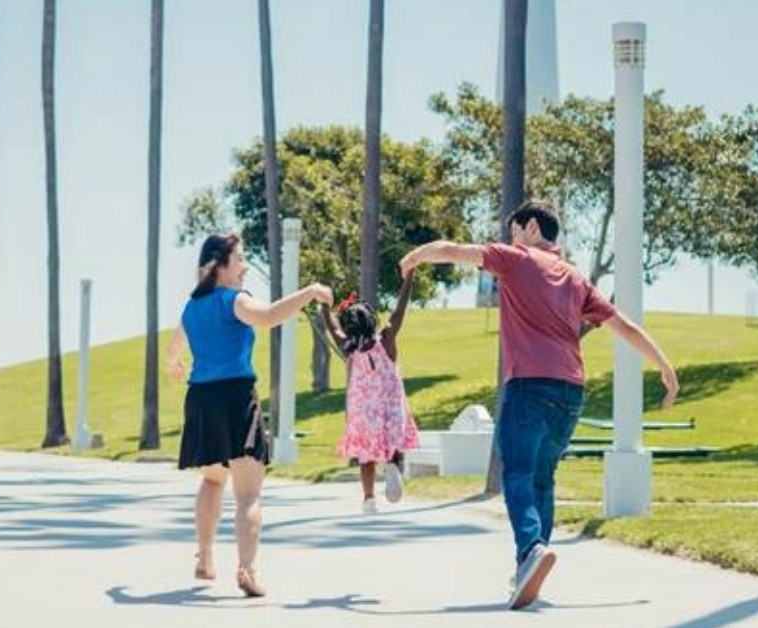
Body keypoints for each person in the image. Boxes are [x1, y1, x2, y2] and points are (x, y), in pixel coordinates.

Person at [399, 200, 679, 611]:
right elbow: (626, 326)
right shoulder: (577, 278)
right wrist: (665, 367)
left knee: (518, 472)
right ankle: (530, 564)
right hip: (570, 393)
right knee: (543, 478)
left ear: (530, 228)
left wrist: (415, 257)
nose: (510, 239)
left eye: (513, 231)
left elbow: (453, 249)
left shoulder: (517, 259)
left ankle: (531, 548)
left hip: (528, 383)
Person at [167, 233, 333, 598]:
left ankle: (205, 557)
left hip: (201, 399)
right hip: (235, 397)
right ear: (221, 266)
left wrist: (174, 364)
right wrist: (311, 292)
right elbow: (270, 316)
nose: (244, 267)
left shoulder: (192, 308)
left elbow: (174, 350)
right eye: (239, 259)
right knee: (248, 494)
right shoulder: (233, 301)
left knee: (213, 481)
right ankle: (247, 569)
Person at [321, 271, 420, 515]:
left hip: (362, 410)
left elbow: (331, 327)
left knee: (366, 455)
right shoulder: (386, 339)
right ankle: (394, 464)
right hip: (389, 405)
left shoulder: (349, 348)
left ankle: (368, 500)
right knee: (393, 440)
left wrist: (324, 304)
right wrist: (408, 279)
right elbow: (399, 311)